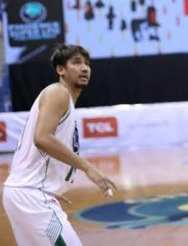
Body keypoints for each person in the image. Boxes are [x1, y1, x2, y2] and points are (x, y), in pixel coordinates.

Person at [3, 44, 117, 246]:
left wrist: (51, 184)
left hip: (28, 193)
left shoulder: (66, 102)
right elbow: (43, 138)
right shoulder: (58, 93)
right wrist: (88, 167)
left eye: (87, 64)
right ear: (60, 70)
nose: (84, 68)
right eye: (76, 62)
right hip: (31, 196)